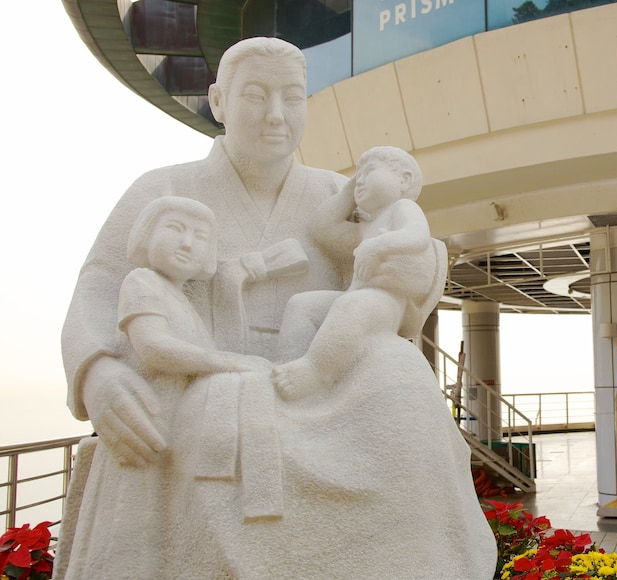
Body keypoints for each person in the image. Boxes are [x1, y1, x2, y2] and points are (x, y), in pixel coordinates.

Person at [59, 37, 496, 578]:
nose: (275, 115)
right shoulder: (164, 189)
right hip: (204, 383)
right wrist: (96, 373)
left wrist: (418, 259)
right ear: (218, 102)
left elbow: (388, 294)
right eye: (255, 96)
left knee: (404, 381)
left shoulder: (340, 194)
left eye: (292, 97)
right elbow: (101, 284)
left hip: (319, 382)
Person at [63, 197, 271, 577]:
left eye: (200, 236)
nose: (188, 243)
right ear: (146, 235)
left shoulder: (180, 299)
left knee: (163, 522)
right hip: (149, 418)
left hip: (177, 426)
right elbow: (154, 347)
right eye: (175, 230)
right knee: (133, 522)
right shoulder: (142, 281)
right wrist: (231, 362)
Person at [273, 145, 445, 400]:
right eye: (357, 175)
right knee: (302, 305)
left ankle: (315, 371)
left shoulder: (403, 209)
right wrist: (348, 192)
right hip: (359, 296)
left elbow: (417, 236)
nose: (360, 181)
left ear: (404, 179)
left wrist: (378, 245)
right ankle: (287, 364)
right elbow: (324, 229)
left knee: (353, 307)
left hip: (387, 302)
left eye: (369, 172)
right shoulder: (366, 226)